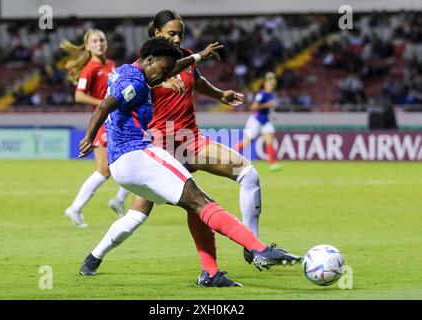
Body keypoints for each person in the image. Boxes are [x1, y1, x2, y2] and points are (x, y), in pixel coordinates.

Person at [79, 11, 292, 286]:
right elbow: (122, 97)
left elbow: (197, 79)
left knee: (247, 174)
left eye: (181, 34)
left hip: (191, 140)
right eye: (171, 34)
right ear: (156, 35)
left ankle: (253, 249)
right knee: (137, 216)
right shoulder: (144, 70)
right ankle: (94, 257)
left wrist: (220, 94)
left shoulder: (184, 58)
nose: (178, 38)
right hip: (160, 144)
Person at [61, 28, 130, 227]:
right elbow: (79, 96)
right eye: (95, 41)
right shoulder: (90, 69)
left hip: (117, 120)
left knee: (133, 157)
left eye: (102, 40)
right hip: (102, 123)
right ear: (88, 46)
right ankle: (74, 208)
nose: (99, 43)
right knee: (104, 170)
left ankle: (118, 200)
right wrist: (103, 103)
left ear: (106, 44)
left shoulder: (110, 64)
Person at [235, 72, 282, 172]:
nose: (270, 86)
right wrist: (267, 105)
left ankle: (272, 164)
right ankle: (232, 155)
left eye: (272, 85)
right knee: (246, 142)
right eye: (269, 84)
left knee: (270, 141)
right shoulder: (261, 95)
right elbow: (254, 107)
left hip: (265, 121)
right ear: (265, 85)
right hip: (256, 120)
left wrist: (272, 114)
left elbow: (269, 108)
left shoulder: (271, 95)